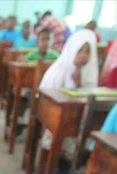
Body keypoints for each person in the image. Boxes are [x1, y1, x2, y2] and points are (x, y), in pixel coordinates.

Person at [38, 29, 98, 162]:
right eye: (80, 51)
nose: (83, 55)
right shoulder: (58, 70)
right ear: (71, 49)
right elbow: (48, 97)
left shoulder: (89, 71)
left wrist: (79, 83)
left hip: (80, 119)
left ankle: (72, 161)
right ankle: (56, 161)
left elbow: (90, 92)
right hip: (58, 117)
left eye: (88, 52)